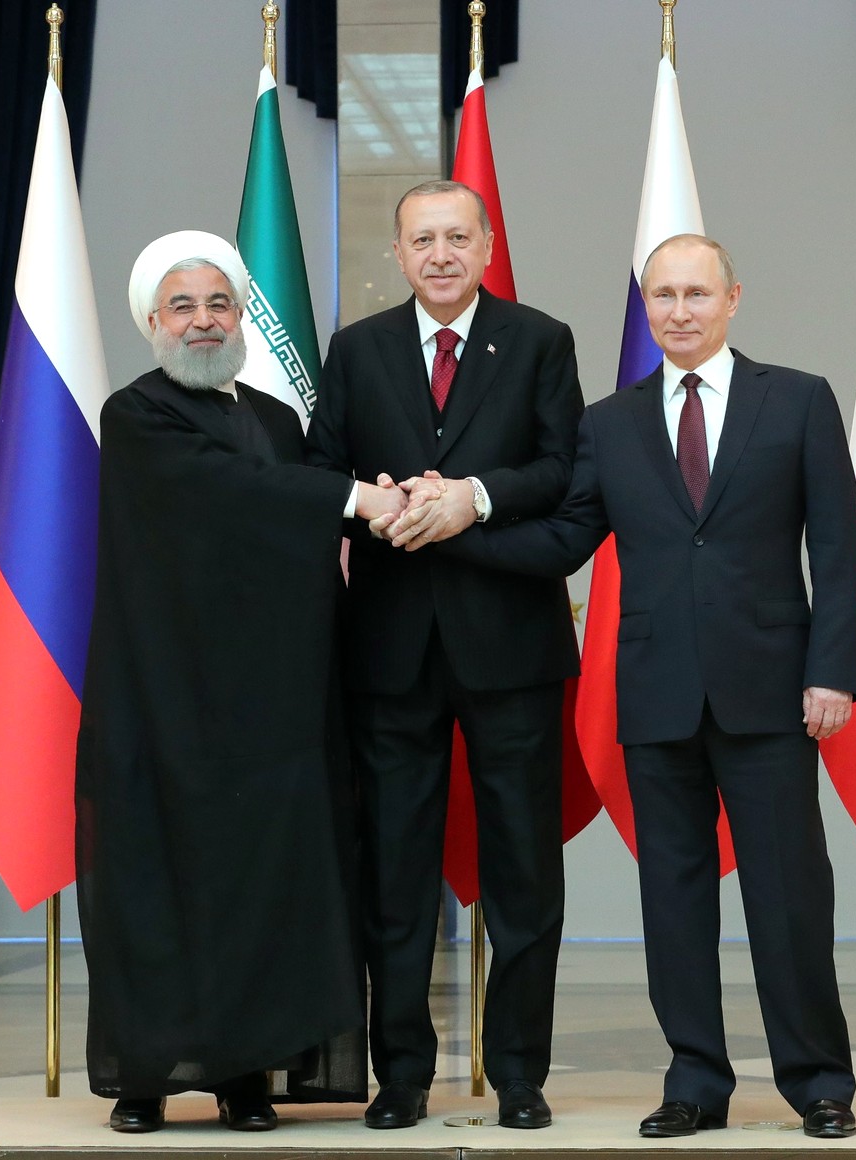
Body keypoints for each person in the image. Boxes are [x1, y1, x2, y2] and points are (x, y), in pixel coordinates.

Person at [384, 233, 856, 1139]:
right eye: (662, 297)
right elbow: (564, 541)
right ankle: (695, 1082)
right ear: (647, 309)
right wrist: (454, 525)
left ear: (732, 299)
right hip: (655, 692)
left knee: (790, 895)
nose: (678, 311)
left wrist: (832, 671)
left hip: (772, 691)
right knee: (673, 896)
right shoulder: (609, 421)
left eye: (695, 294)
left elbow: (838, 549)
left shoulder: (797, 401)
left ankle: (818, 1082)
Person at [75, 231, 406, 1134]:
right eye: (182, 306)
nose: (203, 321)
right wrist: (346, 498)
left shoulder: (278, 421)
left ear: (241, 317)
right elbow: (221, 497)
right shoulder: (134, 414)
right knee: (153, 883)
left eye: (219, 303)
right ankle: (144, 1078)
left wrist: (370, 501)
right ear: (152, 321)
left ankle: (242, 1077)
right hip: (160, 699)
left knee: (258, 886)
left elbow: (284, 540)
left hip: (264, 706)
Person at [304, 180, 584, 1130]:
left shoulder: (541, 340)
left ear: (487, 243)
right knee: (395, 876)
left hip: (510, 642)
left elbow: (561, 467)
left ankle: (518, 1074)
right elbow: (317, 470)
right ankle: (404, 1077)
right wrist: (367, 498)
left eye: (457, 237)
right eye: (421, 240)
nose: (439, 254)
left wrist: (474, 496)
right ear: (398, 253)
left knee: (523, 875)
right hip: (389, 650)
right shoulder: (357, 351)